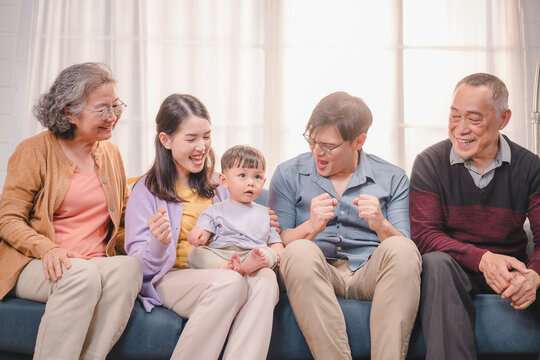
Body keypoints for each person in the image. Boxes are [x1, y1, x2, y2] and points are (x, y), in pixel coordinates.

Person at [0, 62, 142, 360]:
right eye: (102, 109)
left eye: (116, 106)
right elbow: (8, 218)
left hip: (92, 262)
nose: (113, 116)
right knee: (81, 276)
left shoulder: (111, 154)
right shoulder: (34, 151)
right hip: (38, 262)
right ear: (68, 112)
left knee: (128, 269)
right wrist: (47, 247)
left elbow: (126, 216)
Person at [268, 91, 422, 360]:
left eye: (328, 146)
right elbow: (277, 244)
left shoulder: (393, 177)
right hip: (317, 272)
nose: (317, 151)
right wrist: (311, 227)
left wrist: (380, 224)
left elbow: (405, 246)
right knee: (298, 251)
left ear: (358, 142)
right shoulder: (287, 173)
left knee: (402, 249)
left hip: (370, 273)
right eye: (312, 141)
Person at [124, 94, 279, 360]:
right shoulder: (147, 190)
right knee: (230, 282)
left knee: (265, 279)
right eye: (191, 138)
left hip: (223, 268)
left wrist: (260, 223)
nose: (202, 146)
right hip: (172, 277)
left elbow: (242, 233)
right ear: (166, 140)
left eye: (206, 136)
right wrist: (158, 243)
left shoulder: (219, 186)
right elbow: (138, 268)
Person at [410, 72, 540, 360]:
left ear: (503, 119)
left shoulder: (530, 167)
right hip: (457, 269)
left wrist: (532, 276)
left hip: (511, 269)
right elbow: (424, 236)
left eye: (474, 119)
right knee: (435, 264)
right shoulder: (429, 163)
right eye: (454, 116)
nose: (460, 129)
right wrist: (483, 259)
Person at [187, 144, 284, 274]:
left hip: (253, 254)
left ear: (263, 181)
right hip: (222, 253)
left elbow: (275, 242)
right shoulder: (214, 211)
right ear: (224, 180)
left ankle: (246, 267)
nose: (251, 182)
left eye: (257, 177)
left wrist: (278, 252)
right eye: (242, 175)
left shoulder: (265, 213)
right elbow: (202, 231)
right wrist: (198, 235)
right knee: (195, 253)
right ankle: (225, 266)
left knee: (269, 253)